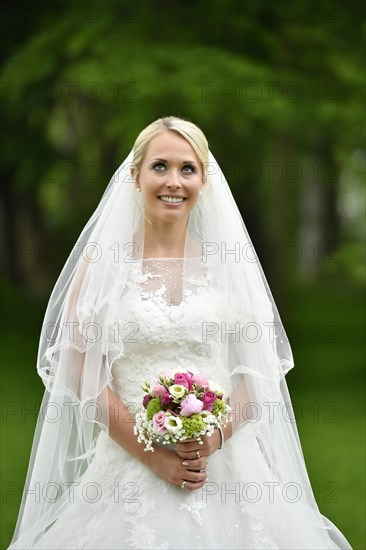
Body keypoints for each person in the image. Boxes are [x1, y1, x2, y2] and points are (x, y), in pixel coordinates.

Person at [8, 116, 352, 549]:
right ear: (135, 176)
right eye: (160, 166)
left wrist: (217, 435)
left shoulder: (228, 266)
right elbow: (78, 369)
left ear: (204, 180)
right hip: (128, 463)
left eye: (188, 168)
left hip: (226, 466)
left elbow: (261, 373)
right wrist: (151, 455)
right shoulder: (103, 264)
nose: (174, 181)